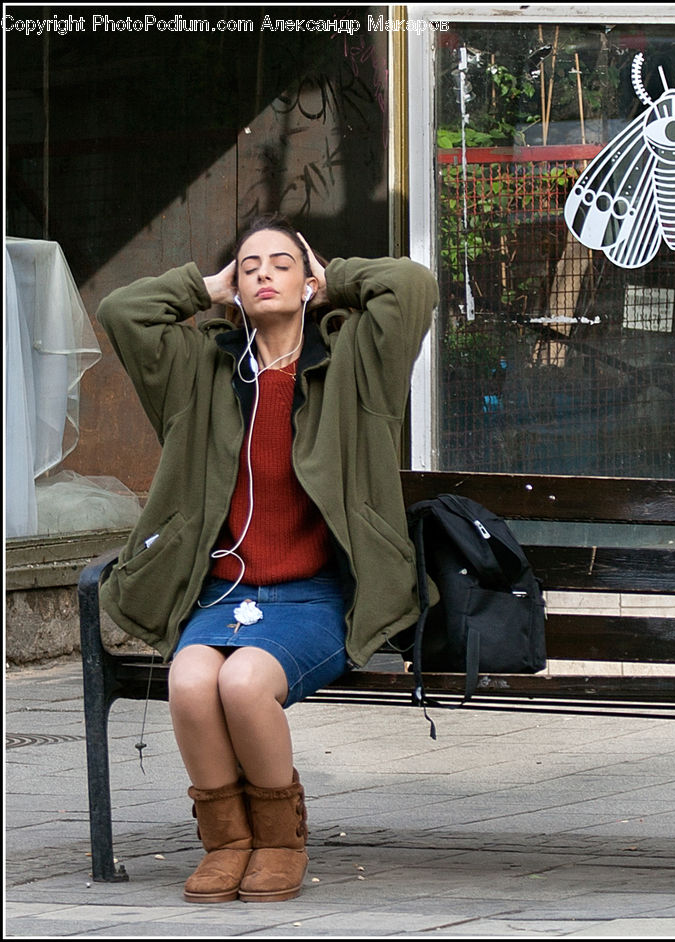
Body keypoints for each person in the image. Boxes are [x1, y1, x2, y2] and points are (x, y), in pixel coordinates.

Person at [96, 214, 438, 903]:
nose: (262, 274)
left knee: (244, 684)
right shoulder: (202, 370)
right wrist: (204, 286)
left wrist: (330, 276)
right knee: (192, 682)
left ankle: (281, 841)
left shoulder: (355, 365)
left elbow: (413, 285)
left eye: (282, 263)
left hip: (314, 597)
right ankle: (228, 842)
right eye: (249, 265)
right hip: (223, 592)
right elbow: (121, 312)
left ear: (308, 281)